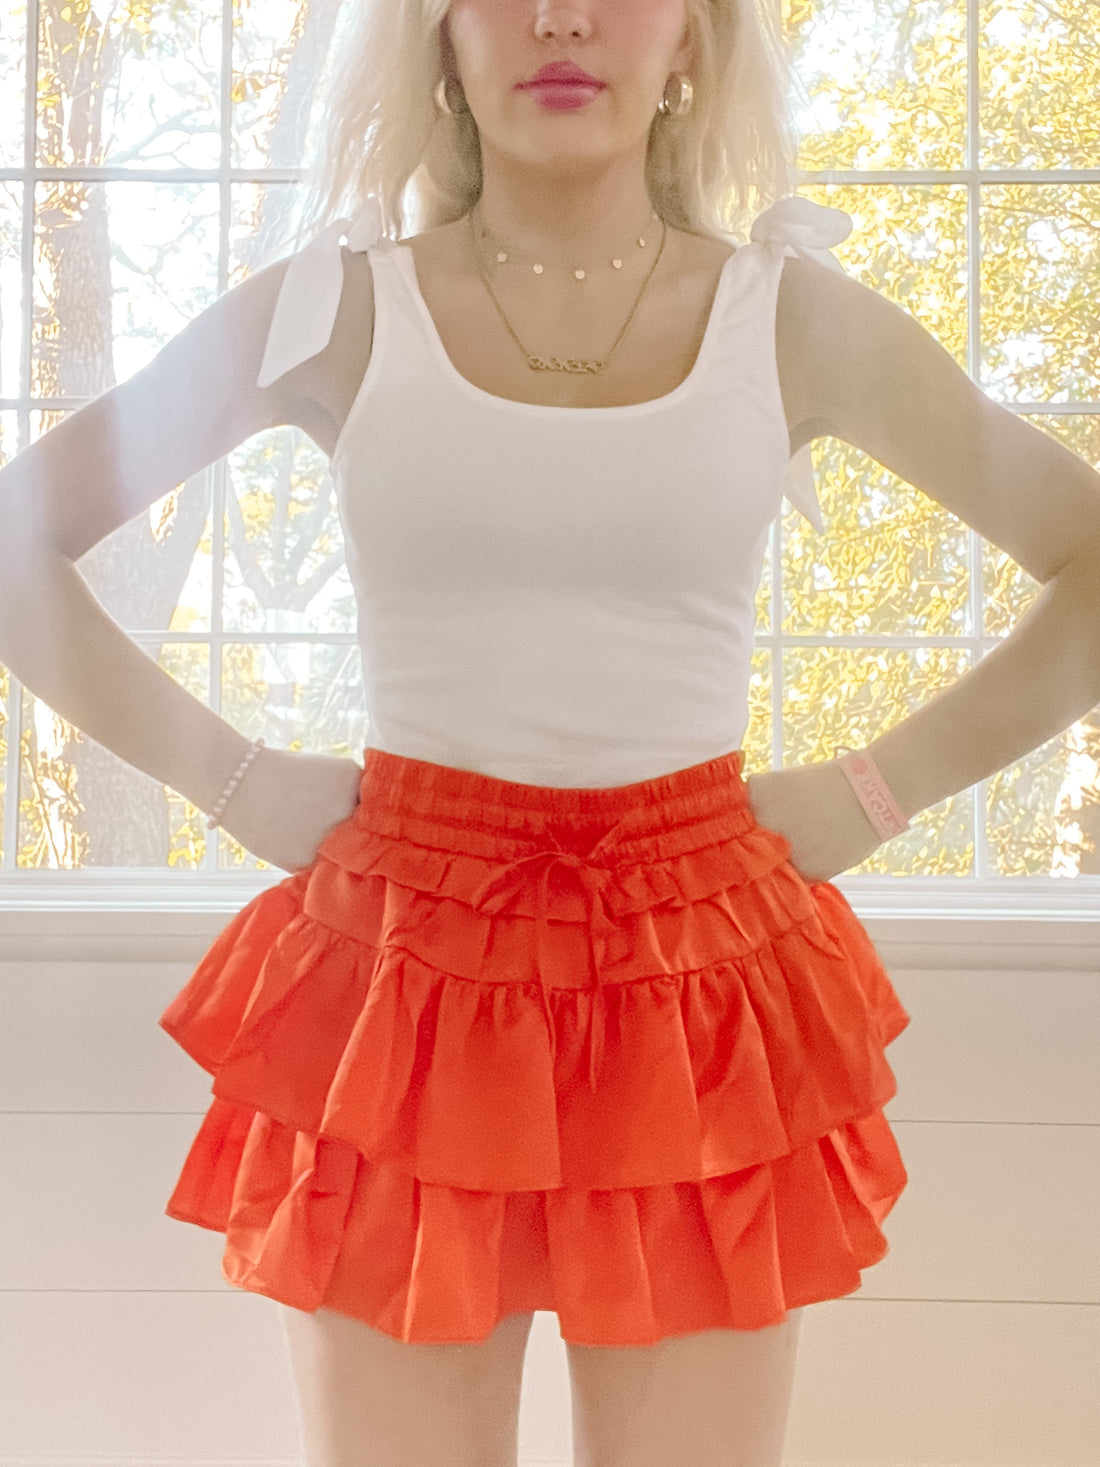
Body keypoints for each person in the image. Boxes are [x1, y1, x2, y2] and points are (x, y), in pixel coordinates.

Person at [3, 0, 1100, 1464]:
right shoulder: (330, 307)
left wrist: (875, 792)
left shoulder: (795, 319)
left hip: (698, 982)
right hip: (405, 976)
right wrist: (237, 780)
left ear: (697, 38)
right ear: (438, 35)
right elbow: (21, 543)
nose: (561, 19)